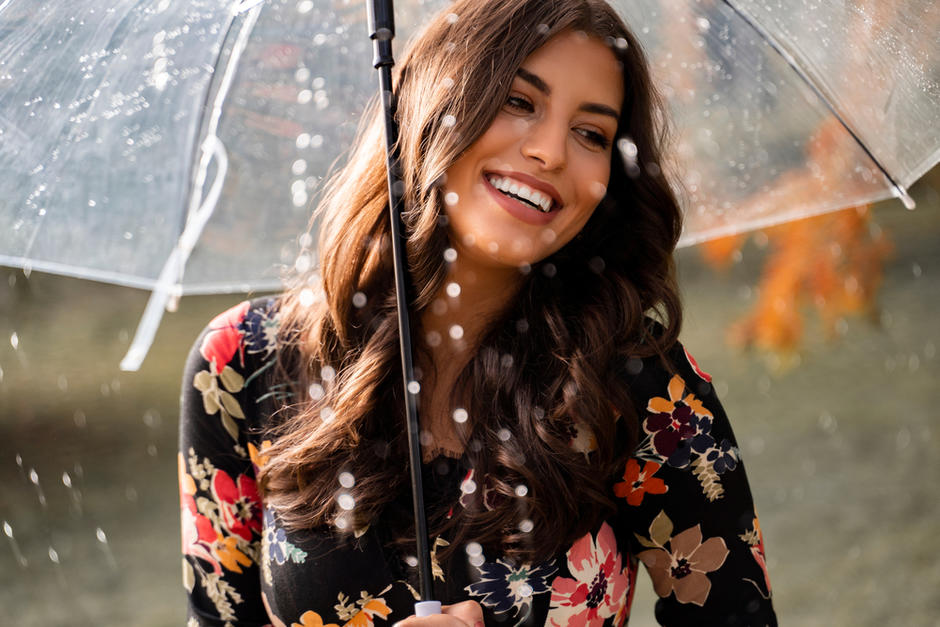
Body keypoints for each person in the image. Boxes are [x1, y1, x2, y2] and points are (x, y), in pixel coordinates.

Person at [178, 1, 776, 625]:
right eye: (519, 101)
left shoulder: (638, 384)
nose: (549, 152)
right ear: (432, 104)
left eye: (591, 133)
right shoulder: (243, 362)